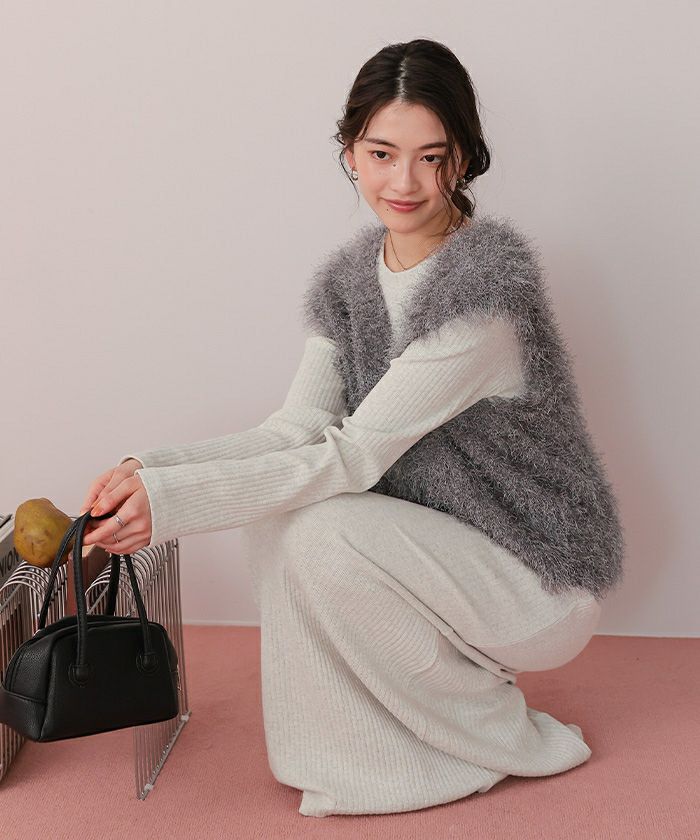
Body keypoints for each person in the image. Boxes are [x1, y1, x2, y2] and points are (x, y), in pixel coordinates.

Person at [78, 38, 624, 818]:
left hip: (533, 576)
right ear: (349, 153)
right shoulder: (350, 284)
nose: (404, 182)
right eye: (381, 153)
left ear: (464, 159)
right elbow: (297, 428)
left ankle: (477, 733)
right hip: (436, 554)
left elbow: (354, 455)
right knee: (276, 520)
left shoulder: (480, 295)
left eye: (432, 158)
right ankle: (347, 755)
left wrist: (171, 507)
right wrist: (153, 471)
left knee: (320, 527)